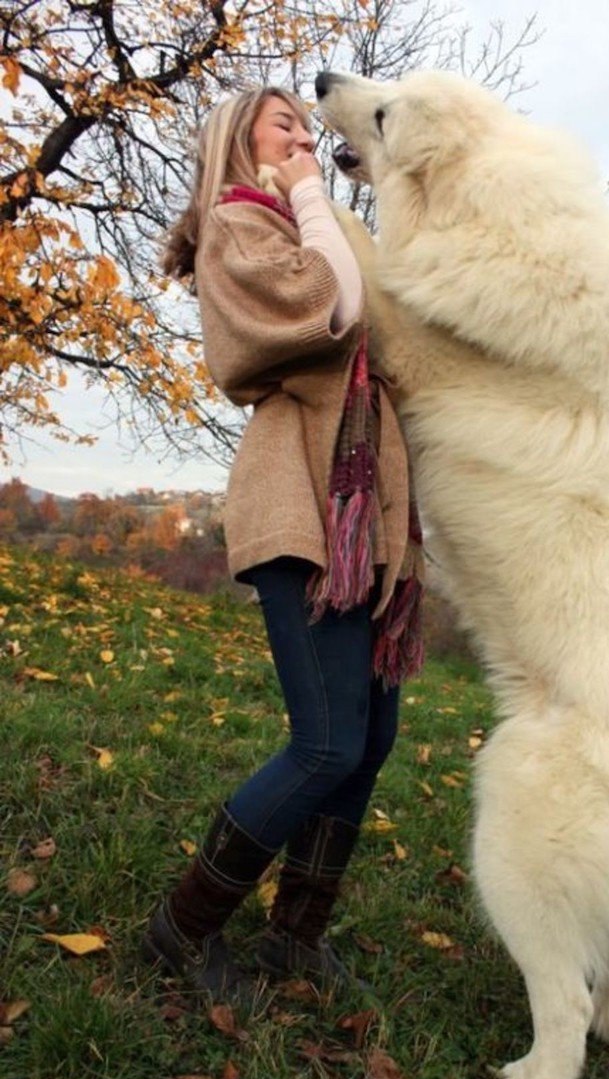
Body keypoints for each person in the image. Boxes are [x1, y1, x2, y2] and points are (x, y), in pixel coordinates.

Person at [143, 87, 424, 1001]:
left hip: (361, 517)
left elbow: (386, 331)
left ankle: (296, 938)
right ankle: (181, 930)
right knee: (327, 743)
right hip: (301, 509)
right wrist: (312, 196)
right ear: (242, 143)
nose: (306, 140)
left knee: (371, 736)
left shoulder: (301, 224)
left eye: (309, 128)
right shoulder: (239, 227)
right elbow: (329, 309)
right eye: (286, 128)